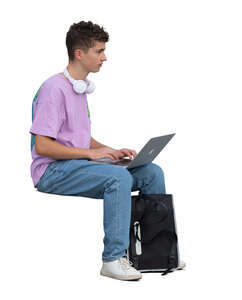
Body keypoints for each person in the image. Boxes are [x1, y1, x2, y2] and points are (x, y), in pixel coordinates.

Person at [30, 20, 185, 281]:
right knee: (119, 177)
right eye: (99, 51)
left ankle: (154, 253)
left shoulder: (78, 90)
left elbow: (77, 137)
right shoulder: (53, 90)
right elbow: (43, 145)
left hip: (76, 165)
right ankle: (112, 259)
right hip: (51, 171)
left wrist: (108, 150)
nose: (105, 57)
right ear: (79, 53)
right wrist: (91, 155)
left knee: (151, 172)